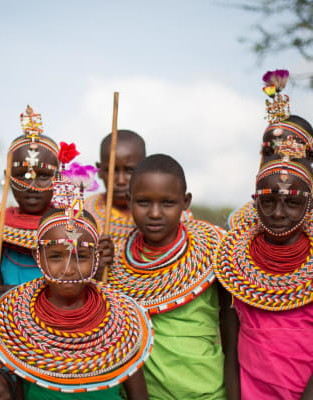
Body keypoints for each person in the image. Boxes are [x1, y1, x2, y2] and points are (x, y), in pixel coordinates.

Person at [0, 170, 154, 399]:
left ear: (97, 258)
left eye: (82, 256)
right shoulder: (17, 320)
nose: (69, 268)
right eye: (56, 256)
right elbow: (10, 379)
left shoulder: (122, 321)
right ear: (39, 257)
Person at [106, 154, 226, 400]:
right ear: (129, 202)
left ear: (186, 202)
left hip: (207, 392)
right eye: (143, 202)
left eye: (168, 203)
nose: (155, 213)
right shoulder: (115, 262)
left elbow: (231, 326)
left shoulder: (214, 251)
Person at [214, 158, 313, 399]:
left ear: (309, 206)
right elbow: (231, 352)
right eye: (268, 201)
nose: (278, 213)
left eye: (292, 202)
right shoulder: (233, 265)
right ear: (255, 202)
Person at [86, 130, 193, 258]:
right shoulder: (85, 216)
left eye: (129, 170)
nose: (120, 181)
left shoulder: (181, 218)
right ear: (99, 169)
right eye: (112, 170)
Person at [228, 69, 313, 230]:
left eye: (289, 151)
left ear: (310, 157)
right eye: (268, 152)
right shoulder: (237, 225)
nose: (277, 160)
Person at [0, 105, 59, 289]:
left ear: (58, 178)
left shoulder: (68, 226)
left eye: (42, 176)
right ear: (7, 176)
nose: (31, 187)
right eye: (21, 175)